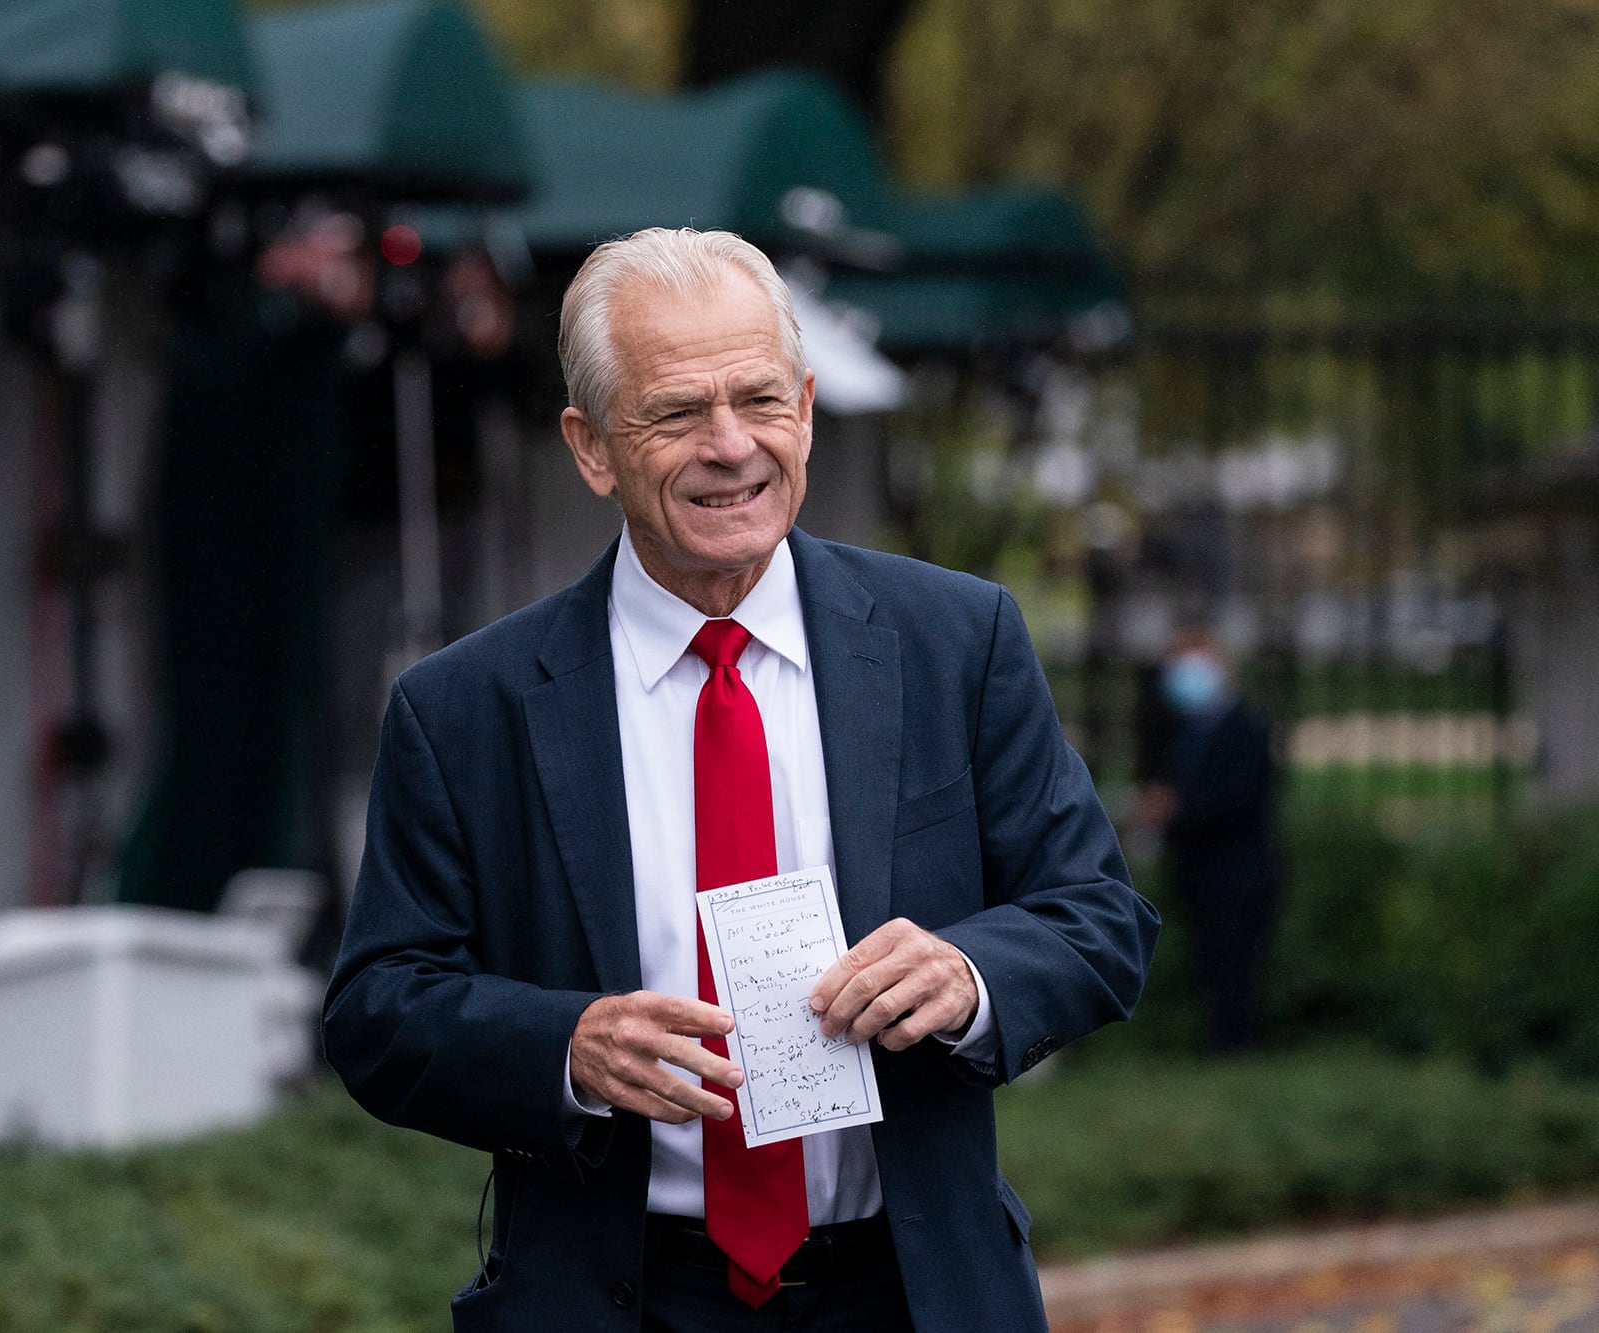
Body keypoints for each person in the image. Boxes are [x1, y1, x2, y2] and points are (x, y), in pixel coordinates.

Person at [323, 228, 1158, 1332]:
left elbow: (1098, 919)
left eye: (758, 400)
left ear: (805, 407)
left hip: (909, 1296)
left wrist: (968, 972)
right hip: (619, 1299)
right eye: (675, 413)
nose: (731, 446)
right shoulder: (464, 708)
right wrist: (566, 1046)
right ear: (590, 446)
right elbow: (379, 1010)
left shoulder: (955, 641)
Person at [1139, 628, 1279, 1052]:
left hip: (1238, 871)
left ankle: (1237, 1050)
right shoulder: (1189, 730)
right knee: (1211, 964)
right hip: (1200, 869)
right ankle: (1219, 1044)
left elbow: (1243, 798)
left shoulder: (1245, 727)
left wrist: (1178, 808)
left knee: (1236, 965)